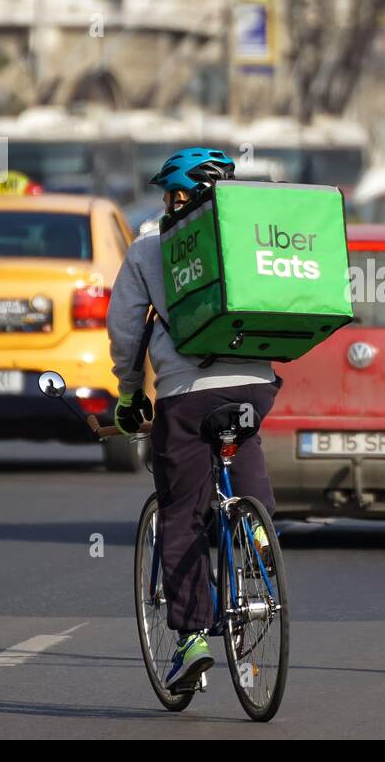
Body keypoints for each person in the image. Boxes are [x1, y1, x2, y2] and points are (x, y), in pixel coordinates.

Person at [107, 147, 280, 691]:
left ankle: (190, 641)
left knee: (181, 512)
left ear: (180, 198)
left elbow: (127, 330)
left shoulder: (149, 249)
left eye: (169, 195)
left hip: (186, 393)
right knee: (241, 443)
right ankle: (257, 530)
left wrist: (129, 390)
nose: (164, 203)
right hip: (255, 384)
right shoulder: (250, 235)